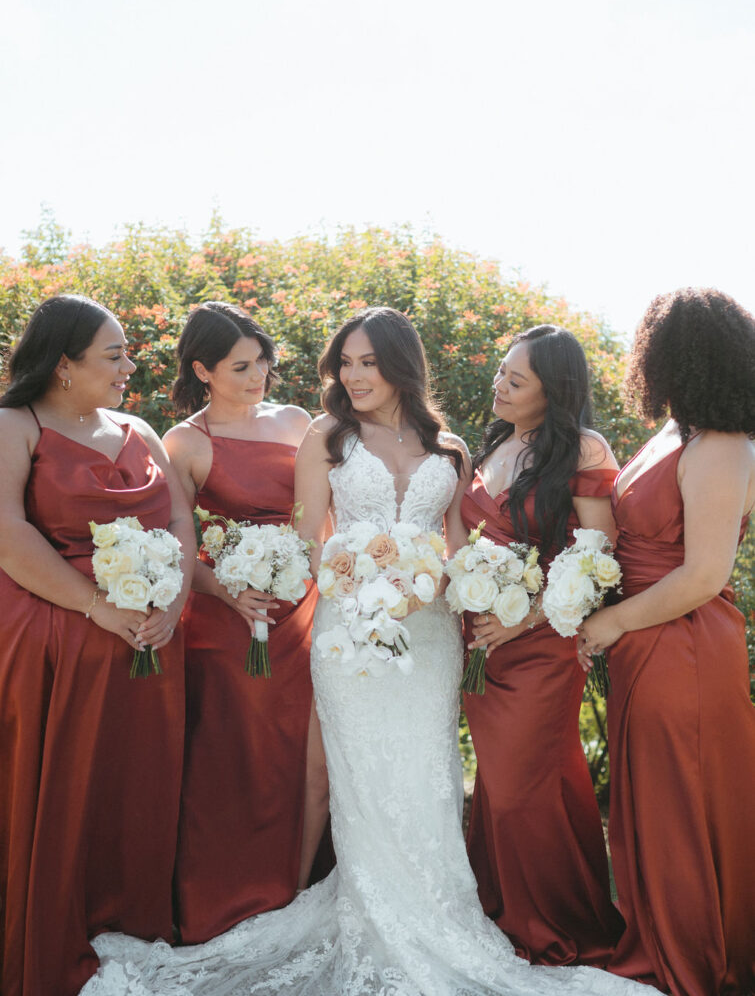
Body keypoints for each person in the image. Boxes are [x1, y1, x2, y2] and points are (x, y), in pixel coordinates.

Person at [81, 308, 659, 996]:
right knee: (357, 776)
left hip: (431, 636)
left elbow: (456, 548)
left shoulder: (449, 448)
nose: (352, 376)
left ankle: (440, 917)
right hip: (346, 626)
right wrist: (334, 575)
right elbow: (307, 539)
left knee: (426, 774)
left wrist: (429, 582)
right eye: (343, 364)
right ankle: (368, 916)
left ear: (400, 367)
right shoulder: (326, 436)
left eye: (367, 363)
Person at [0, 294, 194, 996]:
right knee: (64, 789)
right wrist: (94, 608)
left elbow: (176, 516)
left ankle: (130, 922)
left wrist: (172, 603)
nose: (127, 366)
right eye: (113, 354)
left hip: (150, 649)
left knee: (136, 787)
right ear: (63, 365)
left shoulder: (138, 426)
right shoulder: (14, 426)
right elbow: (8, 536)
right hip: (59, 639)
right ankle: (54, 933)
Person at [578, 288, 755, 996]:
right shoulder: (672, 435)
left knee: (681, 794)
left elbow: (705, 573)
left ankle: (690, 953)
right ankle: (656, 932)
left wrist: (613, 620)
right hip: (646, 638)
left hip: (679, 640)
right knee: (651, 795)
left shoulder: (722, 444)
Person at [456, 324, 624, 965]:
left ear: (552, 391)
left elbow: (597, 550)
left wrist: (524, 616)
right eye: (501, 371)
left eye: (514, 380)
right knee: (498, 784)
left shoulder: (582, 448)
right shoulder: (495, 443)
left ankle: (555, 923)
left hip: (540, 646)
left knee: (527, 783)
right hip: (482, 645)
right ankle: (498, 910)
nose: (498, 385)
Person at [163, 301, 328, 943]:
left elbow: (321, 518)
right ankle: (219, 900)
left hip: (304, 613)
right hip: (225, 620)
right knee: (230, 755)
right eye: (240, 366)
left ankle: (290, 890)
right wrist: (230, 593)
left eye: (262, 362)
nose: (257, 375)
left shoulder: (296, 423)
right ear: (202, 369)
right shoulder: (185, 441)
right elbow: (182, 544)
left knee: (298, 756)